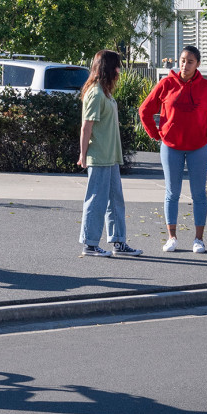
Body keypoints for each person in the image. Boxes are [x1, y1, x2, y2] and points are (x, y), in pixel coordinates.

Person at [139, 45, 207, 253]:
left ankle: (198, 240)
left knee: (198, 193)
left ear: (198, 64)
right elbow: (144, 110)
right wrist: (156, 134)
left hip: (199, 147)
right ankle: (172, 237)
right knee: (172, 193)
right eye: (182, 60)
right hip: (171, 147)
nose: (185, 64)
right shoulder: (166, 84)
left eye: (190, 61)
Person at [77, 49, 142, 258]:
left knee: (115, 200)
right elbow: (86, 127)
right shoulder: (95, 93)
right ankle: (90, 243)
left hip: (111, 156)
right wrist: (83, 154)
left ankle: (118, 241)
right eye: (117, 66)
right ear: (107, 67)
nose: (119, 70)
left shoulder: (105, 92)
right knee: (96, 200)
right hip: (99, 156)